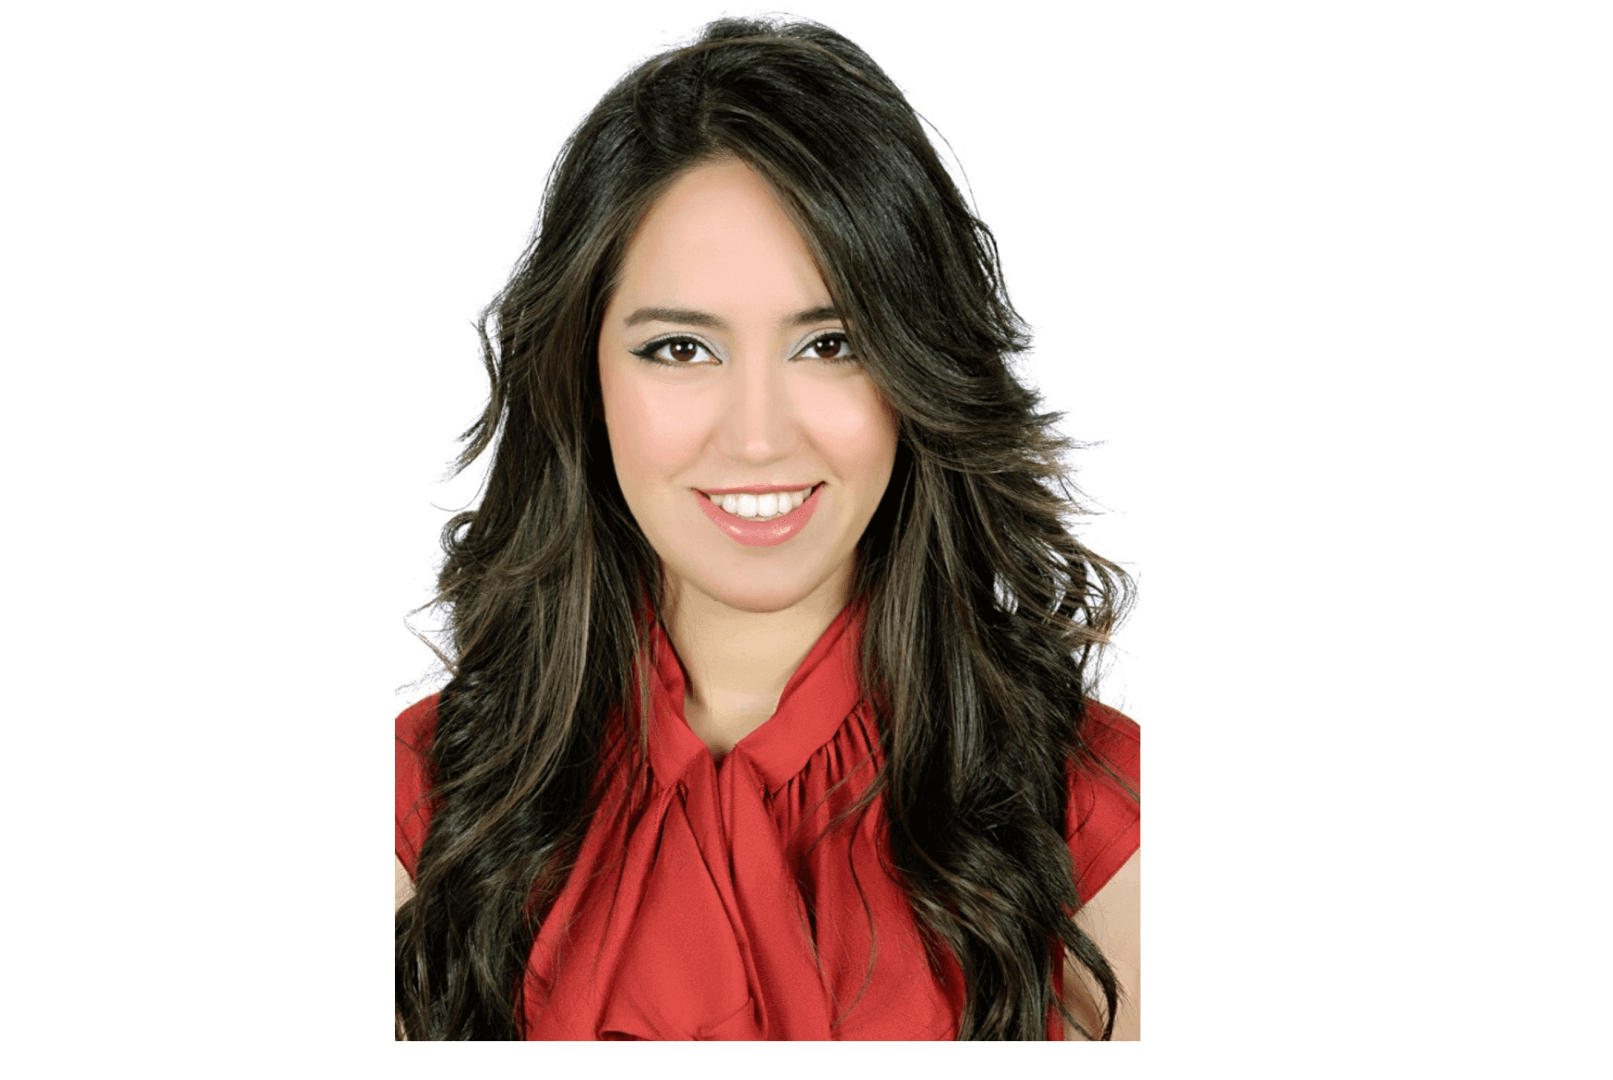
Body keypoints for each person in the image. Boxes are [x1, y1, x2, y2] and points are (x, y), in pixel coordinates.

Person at [394, 16, 1139, 1041]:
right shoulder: (422, 805)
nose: (755, 438)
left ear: (916, 370)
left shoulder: (1104, 823)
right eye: (680, 350)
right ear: (583, 378)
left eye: (830, 342)